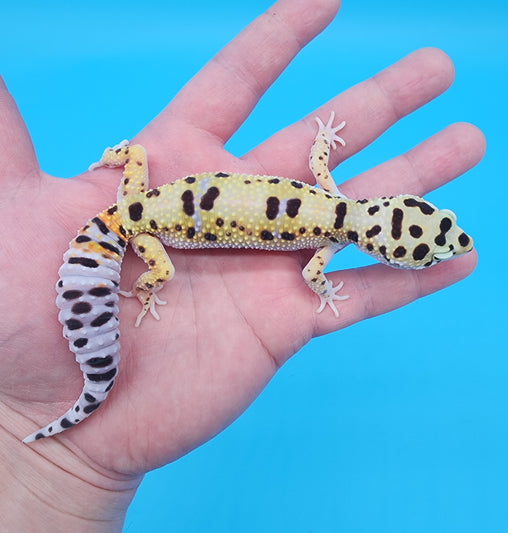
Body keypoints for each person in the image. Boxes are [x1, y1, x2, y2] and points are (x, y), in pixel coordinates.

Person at [0, 0, 483, 530]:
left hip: (141, 203)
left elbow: (320, 159)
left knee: (139, 165)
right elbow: (310, 275)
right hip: (147, 229)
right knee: (163, 274)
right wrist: (150, 286)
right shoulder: (328, 242)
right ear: (386, 241)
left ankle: (125, 161)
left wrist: (322, 140)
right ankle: (127, 322)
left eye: (433, 242)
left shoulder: (332, 197)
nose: (446, 244)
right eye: (433, 246)